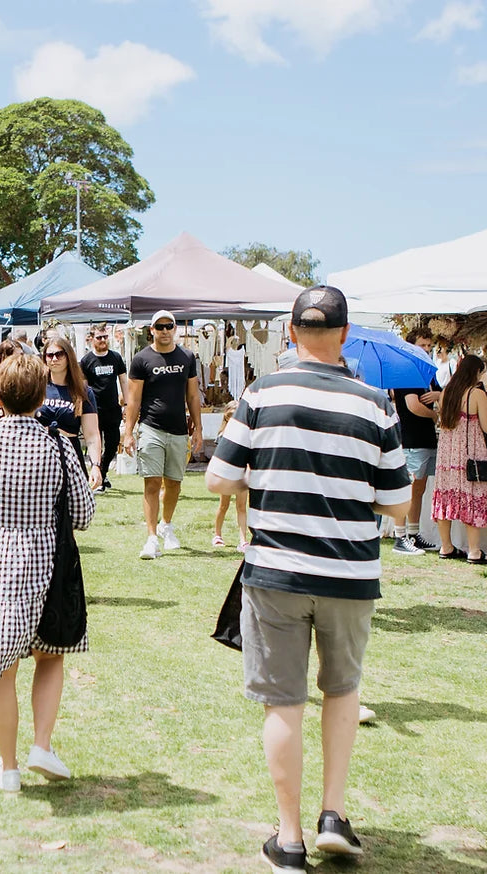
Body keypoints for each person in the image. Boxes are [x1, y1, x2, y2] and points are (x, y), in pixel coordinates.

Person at [205, 285, 412, 872]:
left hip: (276, 572)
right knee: (342, 691)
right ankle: (333, 814)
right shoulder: (374, 404)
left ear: (291, 334)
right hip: (349, 572)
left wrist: (268, 475)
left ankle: (289, 838)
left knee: (283, 702)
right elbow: (398, 504)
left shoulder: (262, 393)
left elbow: (218, 480)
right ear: (346, 335)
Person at [0, 353, 94, 792]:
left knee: (0, 669)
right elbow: (83, 513)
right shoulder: (58, 445)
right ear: (42, 395)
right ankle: (41, 745)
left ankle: (7, 767)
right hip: (44, 560)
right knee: (50, 654)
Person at [123, 309, 202, 560]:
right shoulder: (142, 359)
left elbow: (192, 395)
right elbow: (133, 401)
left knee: (174, 483)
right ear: (152, 330)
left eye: (169, 326)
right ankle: (151, 538)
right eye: (160, 327)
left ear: (175, 329)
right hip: (150, 427)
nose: (165, 331)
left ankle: (166, 525)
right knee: (152, 482)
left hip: (179, 430)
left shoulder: (188, 357)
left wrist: (198, 428)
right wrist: (128, 433)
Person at [430, 354, 487, 562]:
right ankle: (474, 550)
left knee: (445, 495)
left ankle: (446, 546)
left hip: (447, 454)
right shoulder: (476, 394)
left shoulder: (447, 391)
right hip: (469, 451)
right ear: (476, 372)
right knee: (472, 495)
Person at [389, 329, 441, 556]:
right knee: (407, 488)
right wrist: (435, 415)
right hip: (411, 438)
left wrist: (438, 397)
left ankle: (414, 533)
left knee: (418, 489)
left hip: (426, 438)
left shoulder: (427, 373)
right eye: (423, 345)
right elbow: (412, 406)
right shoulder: (407, 372)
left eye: (430, 346)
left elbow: (442, 394)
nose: (427, 349)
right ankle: (400, 536)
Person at [39, 335, 101, 490]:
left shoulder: (83, 391)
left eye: (59, 354)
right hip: (39, 454)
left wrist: (95, 465)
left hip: (70, 453)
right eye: (50, 355)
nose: (54, 359)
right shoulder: (37, 387)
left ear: (68, 357)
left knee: (74, 509)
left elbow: (92, 434)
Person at [79, 325, 127, 493]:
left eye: (105, 337)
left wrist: (126, 403)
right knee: (96, 445)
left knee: (113, 444)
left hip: (113, 408)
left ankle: (103, 472)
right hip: (94, 410)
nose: (102, 340)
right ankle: (97, 478)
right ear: (92, 339)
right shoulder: (86, 361)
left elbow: (123, 380)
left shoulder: (116, 357)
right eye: (99, 337)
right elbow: (84, 387)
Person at [212, 401, 247, 551]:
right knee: (224, 505)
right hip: (227, 474)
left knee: (241, 507)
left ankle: (243, 539)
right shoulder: (222, 436)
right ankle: (217, 534)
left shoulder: (247, 434)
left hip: (242, 474)